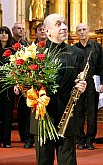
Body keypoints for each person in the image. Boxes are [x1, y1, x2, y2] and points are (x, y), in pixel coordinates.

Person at [30, 13, 87, 165]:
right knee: (44, 161)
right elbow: (27, 88)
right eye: (58, 24)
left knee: (68, 161)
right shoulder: (35, 54)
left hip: (67, 116)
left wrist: (82, 86)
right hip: (42, 117)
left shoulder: (77, 53)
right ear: (47, 31)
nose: (64, 27)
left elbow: (81, 82)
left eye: (64, 23)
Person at [75, 23, 103, 150]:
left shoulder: (97, 47)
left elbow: (102, 66)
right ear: (76, 33)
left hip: (93, 84)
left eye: (84, 29)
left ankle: (90, 140)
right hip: (79, 84)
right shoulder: (74, 49)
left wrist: (102, 83)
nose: (82, 32)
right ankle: (80, 140)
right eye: (79, 30)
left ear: (88, 31)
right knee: (79, 112)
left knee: (92, 113)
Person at [10, 22, 34, 148]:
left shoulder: (26, 44)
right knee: (20, 110)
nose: (21, 30)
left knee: (26, 109)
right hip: (13, 79)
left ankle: (26, 135)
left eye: (22, 29)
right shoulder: (9, 44)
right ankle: (21, 134)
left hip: (24, 79)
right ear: (13, 30)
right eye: (18, 28)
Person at [0, 26, 14, 148]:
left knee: (7, 113)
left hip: (8, 84)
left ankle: (7, 140)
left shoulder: (13, 51)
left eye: (6, 33)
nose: (4, 35)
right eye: (1, 33)